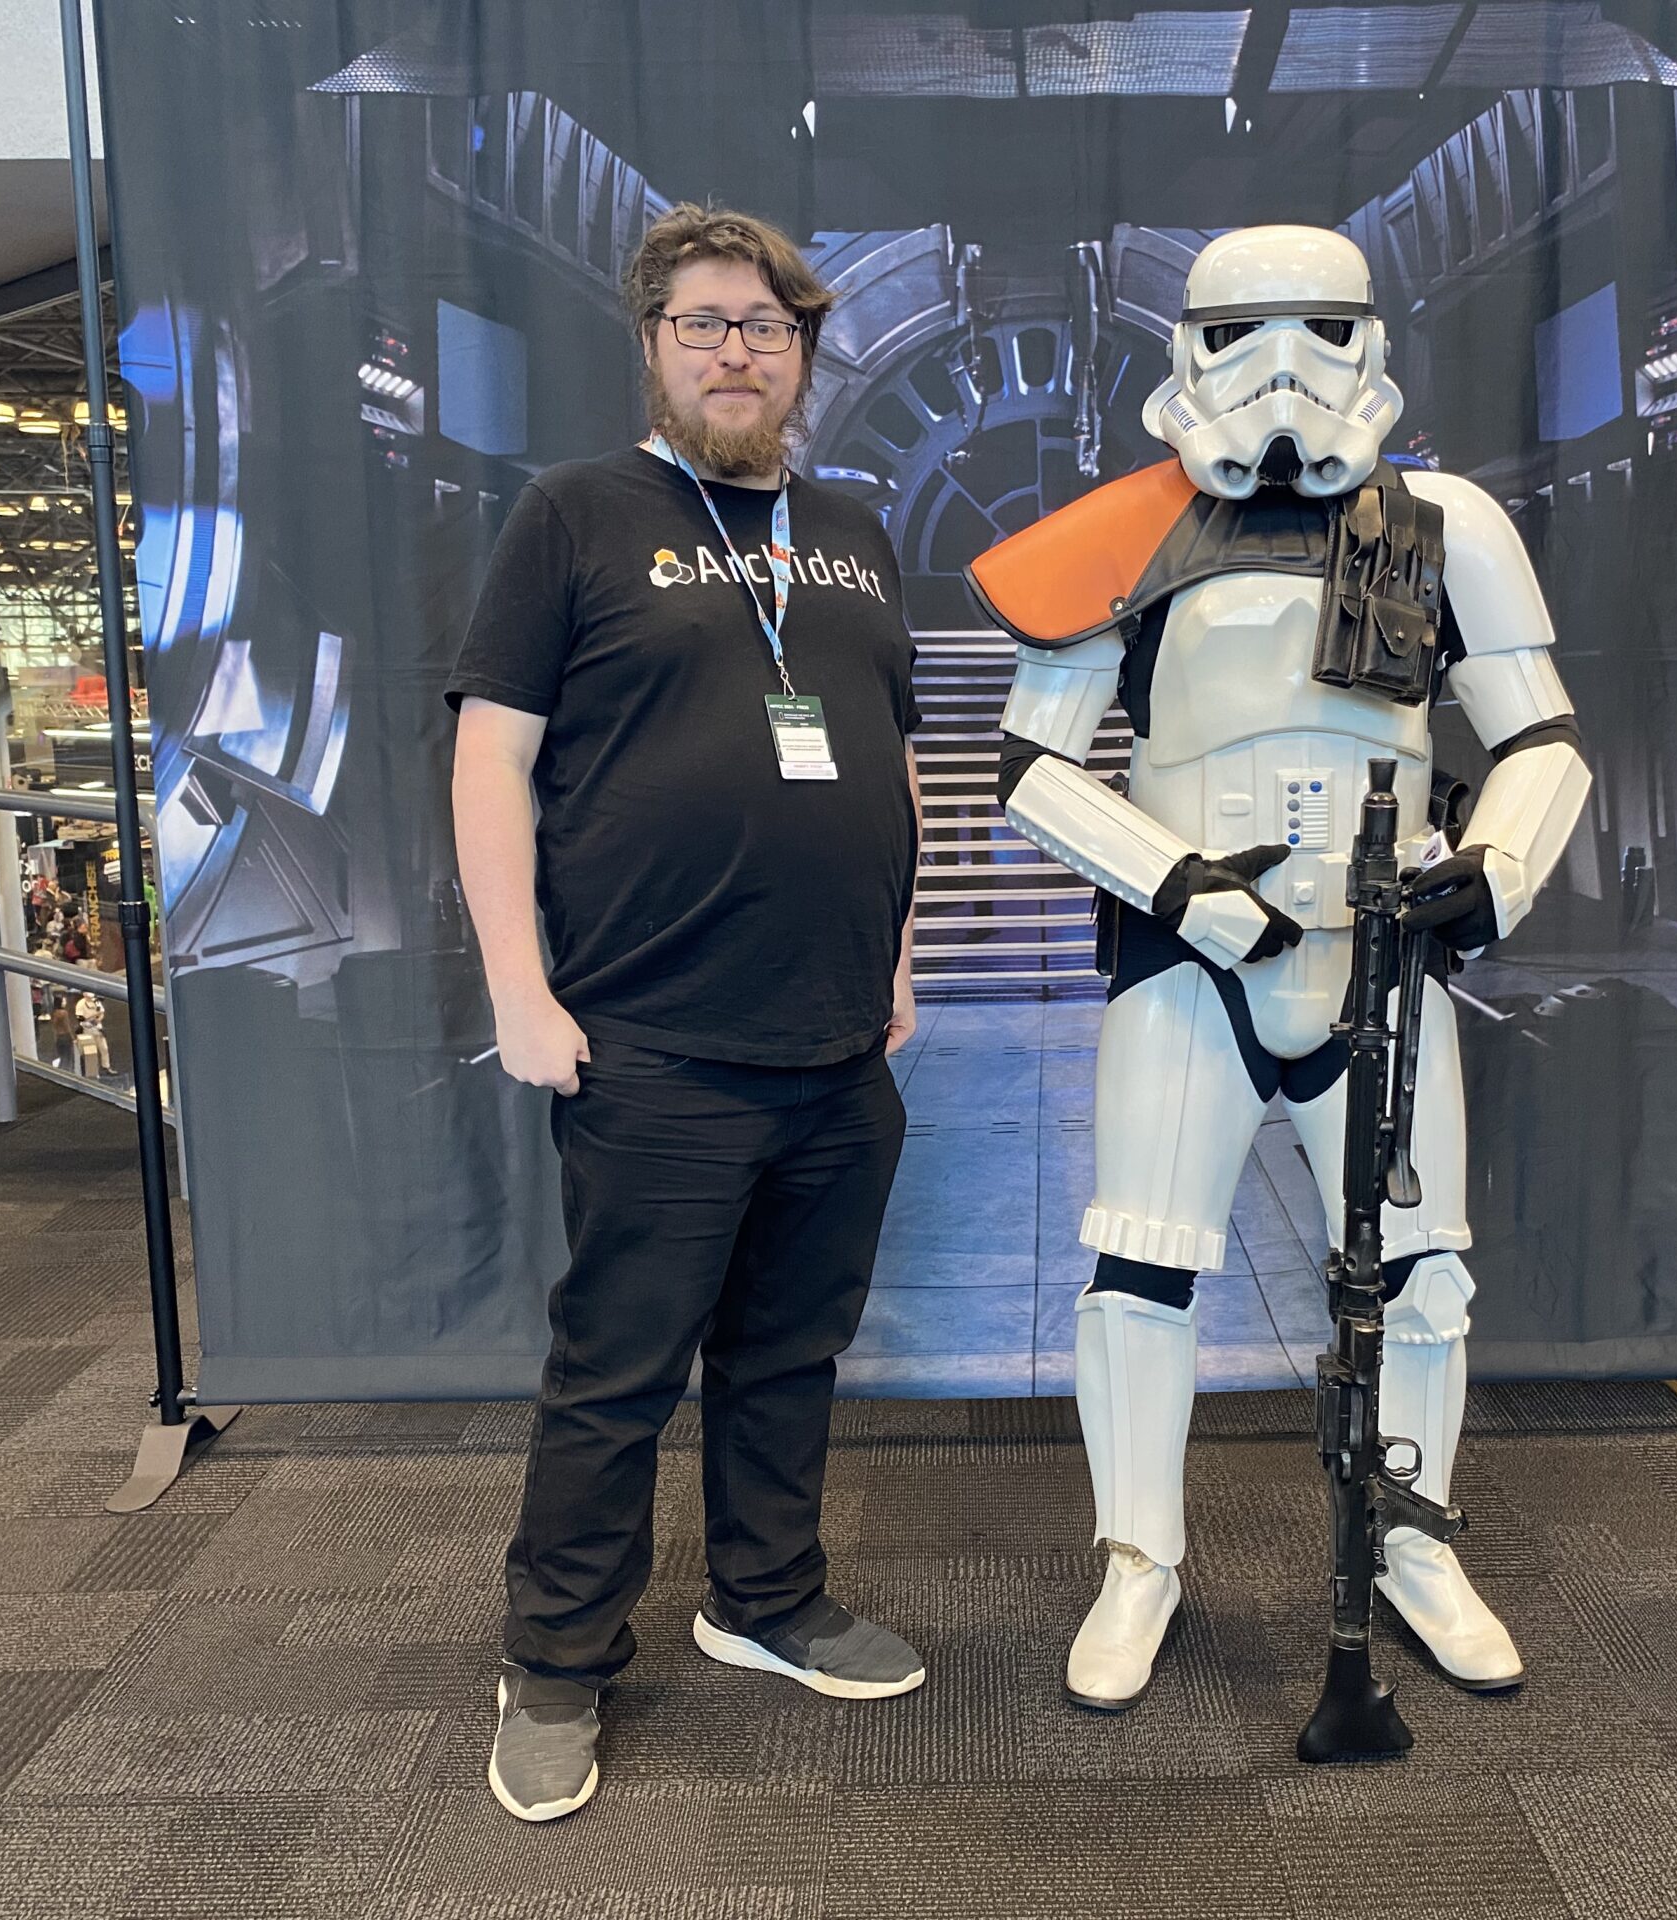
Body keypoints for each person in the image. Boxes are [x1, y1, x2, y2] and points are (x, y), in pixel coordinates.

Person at [971, 227, 1591, 1712]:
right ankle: (1140, 1559)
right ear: (1184, 351)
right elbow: (1031, 767)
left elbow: (1542, 738)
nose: (1282, 371)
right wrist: (1179, 887)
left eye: (1319, 329)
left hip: (1383, 958)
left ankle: (1413, 1541)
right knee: (1141, 1270)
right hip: (1192, 963)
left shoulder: (1444, 527)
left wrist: (1496, 866)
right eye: (1239, 336)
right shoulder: (1123, 532)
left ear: (1370, 338)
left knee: (1422, 1276)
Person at [446, 203, 929, 1825]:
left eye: (767, 327)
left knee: (791, 1350)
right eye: (706, 323)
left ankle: (766, 1598)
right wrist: (519, 988)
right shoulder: (576, 515)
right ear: (653, 346)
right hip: (653, 1043)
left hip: (837, 1049)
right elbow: (492, 760)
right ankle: (555, 1662)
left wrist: (900, 955)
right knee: (618, 1376)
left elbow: (892, 759)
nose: (738, 352)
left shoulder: (853, 532)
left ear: (803, 356)